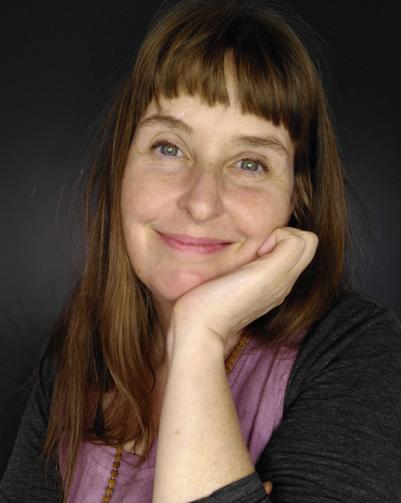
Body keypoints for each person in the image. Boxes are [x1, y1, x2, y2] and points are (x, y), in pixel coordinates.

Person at [1, 0, 400, 501]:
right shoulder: (81, 349)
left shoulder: (356, 352)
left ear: (297, 195)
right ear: (122, 166)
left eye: (250, 163)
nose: (201, 202)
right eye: (169, 148)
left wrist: (199, 334)